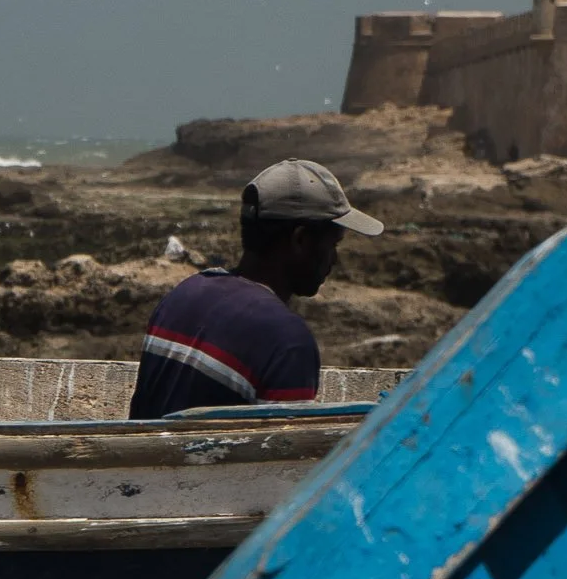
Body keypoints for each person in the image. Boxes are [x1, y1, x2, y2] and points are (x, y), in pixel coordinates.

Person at [128, 158, 383, 418]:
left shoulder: (183, 294)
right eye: (333, 245)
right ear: (301, 240)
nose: (334, 260)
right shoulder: (287, 341)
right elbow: (284, 451)